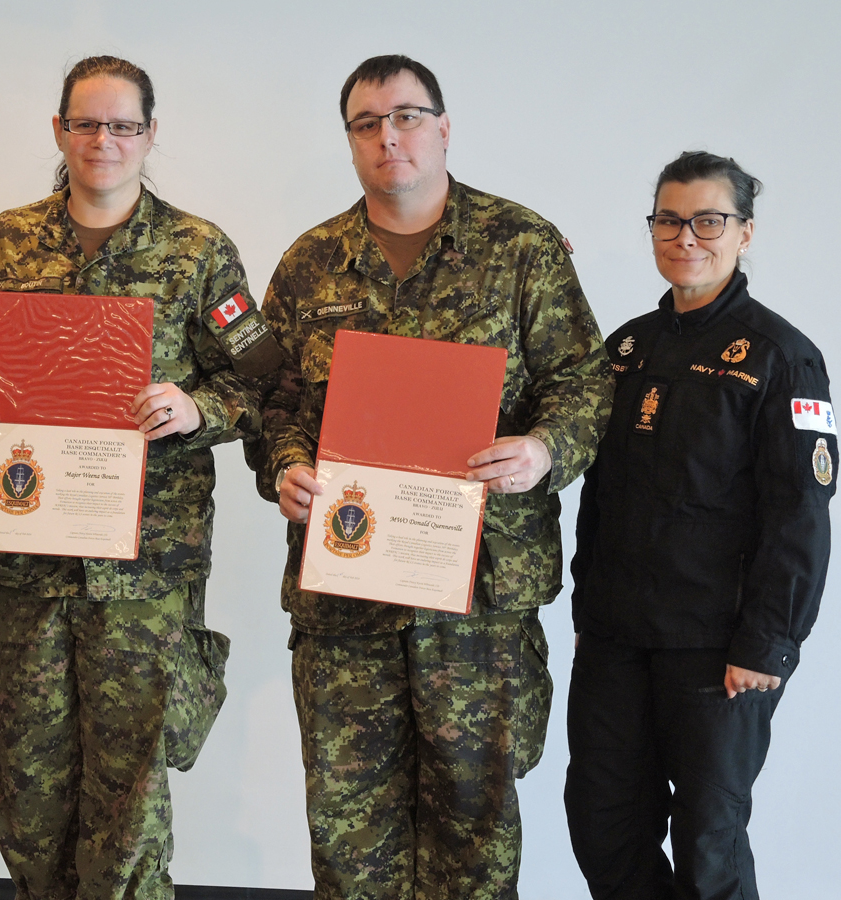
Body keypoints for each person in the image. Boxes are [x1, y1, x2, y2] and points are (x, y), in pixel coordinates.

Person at [255, 54, 612, 899]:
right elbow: (271, 398)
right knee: (349, 838)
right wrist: (286, 465)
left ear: (444, 128)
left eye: (408, 117)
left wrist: (544, 449)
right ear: (349, 141)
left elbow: (586, 379)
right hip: (348, 602)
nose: (390, 137)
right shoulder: (311, 264)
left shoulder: (521, 246)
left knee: (474, 832)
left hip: (476, 605)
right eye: (367, 123)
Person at [0, 56, 280, 900]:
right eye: (86, 123)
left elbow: (264, 381)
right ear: (59, 131)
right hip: (26, 570)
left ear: (151, 135)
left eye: (124, 125)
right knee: (25, 794)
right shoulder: (9, 240)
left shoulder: (199, 251)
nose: (105, 141)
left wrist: (200, 409)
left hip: (144, 579)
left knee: (128, 809)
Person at [565, 151, 834, 900]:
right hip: (617, 639)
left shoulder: (782, 357)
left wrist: (769, 644)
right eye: (669, 219)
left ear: (745, 232)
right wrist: (590, 613)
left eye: (709, 220)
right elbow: (597, 497)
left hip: (720, 651)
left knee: (708, 844)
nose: (687, 236)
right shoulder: (624, 350)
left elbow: (800, 516)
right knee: (602, 820)